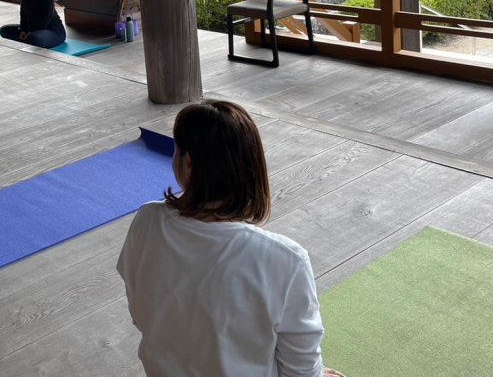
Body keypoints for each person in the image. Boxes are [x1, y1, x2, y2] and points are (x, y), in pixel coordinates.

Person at [117, 100, 345, 377]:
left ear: (188, 164)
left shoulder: (146, 220)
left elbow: (140, 314)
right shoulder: (286, 260)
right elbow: (301, 371)